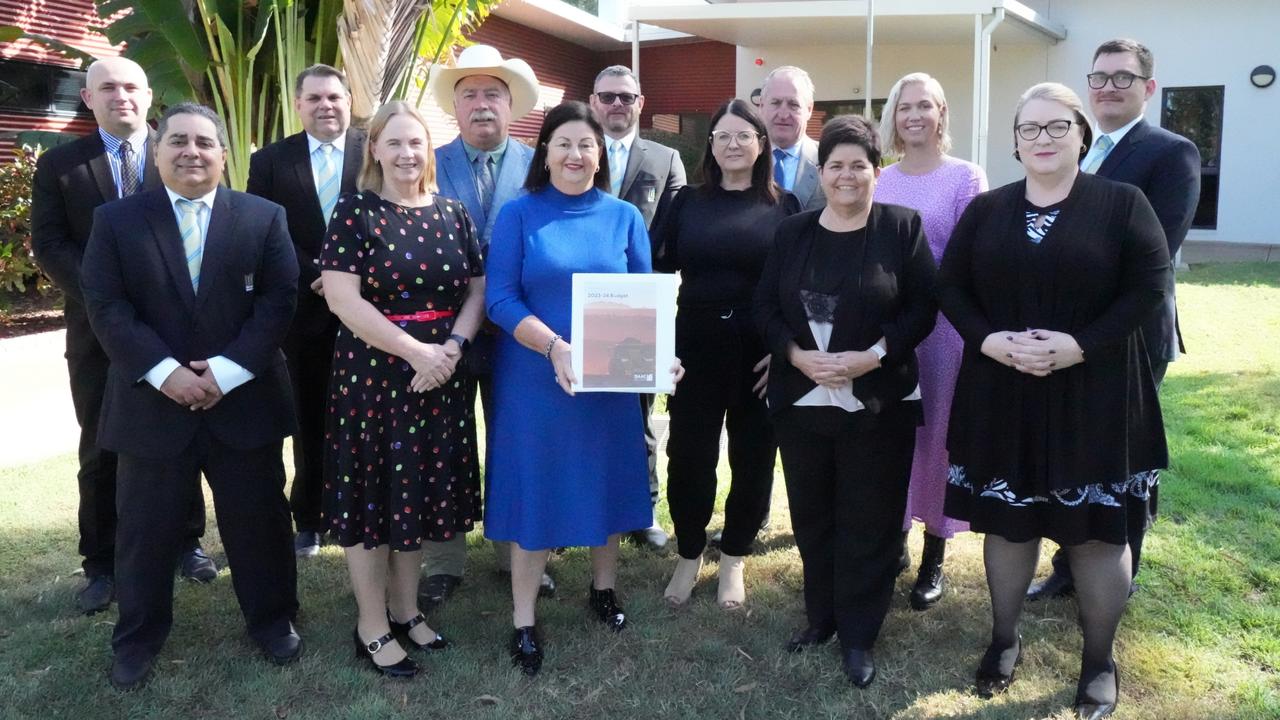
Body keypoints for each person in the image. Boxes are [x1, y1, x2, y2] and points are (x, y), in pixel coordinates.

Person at [938, 83, 1170, 719]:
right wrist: (989, 341)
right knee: (1010, 524)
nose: (1043, 138)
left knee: (1097, 533)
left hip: (1093, 391)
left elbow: (1150, 285)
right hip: (1003, 389)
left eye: (1056, 127)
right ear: (1015, 142)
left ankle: (1099, 661)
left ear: (1081, 136)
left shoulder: (1123, 204)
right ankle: (1003, 639)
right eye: (1030, 128)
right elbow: (950, 285)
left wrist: (1080, 346)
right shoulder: (987, 210)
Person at [80, 103, 303, 691]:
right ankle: (138, 637)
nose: (192, 152)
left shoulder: (264, 216)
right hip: (153, 404)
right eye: (178, 140)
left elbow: (279, 302)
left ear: (223, 154)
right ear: (158, 152)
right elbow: (107, 307)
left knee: (258, 521)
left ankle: (273, 619)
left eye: (205, 142)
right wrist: (164, 373)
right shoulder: (116, 221)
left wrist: (225, 371)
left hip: (244, 401)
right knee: (145, 531)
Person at [483, 101, 683, 676]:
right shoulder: (519, 215)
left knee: (605, 478)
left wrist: (662, 358)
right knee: (534, 488)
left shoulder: (623, 217)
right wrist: (554, 347)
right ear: (544, 153)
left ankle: (603, 589)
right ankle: (523, 618)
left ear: (602, 155)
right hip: (534, 377)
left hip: (608, 380)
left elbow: (646, 300)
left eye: (586, 145)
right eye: (564, 144)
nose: (575, 155)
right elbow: (499, 298)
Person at [754, 114, 938, 688]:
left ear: (876, 172)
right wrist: (794, 355)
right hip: (802, 397)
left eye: (859, 164)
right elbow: (764, 306)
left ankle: (859, 634)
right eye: (836, 165)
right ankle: (822, 617)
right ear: (822, 171)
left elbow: (923, 309)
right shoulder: (793, 232)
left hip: (877, 400)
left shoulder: (902, 227)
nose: (847, 175)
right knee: (812, 513)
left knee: (871, 517)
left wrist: (873, 356)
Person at [31, 57, 215, 617]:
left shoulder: (182, 149)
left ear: (149, 93)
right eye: (107, 87)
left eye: (132, 85)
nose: (122, 96)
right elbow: (50, 244)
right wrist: (109, 298)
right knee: (102, 442)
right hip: (97, 334)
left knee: (183, 435)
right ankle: (102, 562)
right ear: (89, 99)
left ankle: (187, 543)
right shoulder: (62, 165)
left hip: (178, 329)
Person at [1027, 38, 1200, 603]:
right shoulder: (1082, 149)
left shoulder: (1170, 153)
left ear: (1148, 88)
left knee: (1118, 458)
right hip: (1062, 335)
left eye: (1123, 78)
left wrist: (1082, 328)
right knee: (1074, 449)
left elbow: (1153, 257)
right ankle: (1069, 567)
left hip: (1128, 336)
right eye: (1098, 78)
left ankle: (1116, 579)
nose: (1108, 87)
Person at [317, 101, 485, 678]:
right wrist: (418, 353)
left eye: (416, 142)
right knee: (372, 502)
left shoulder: (453, 213)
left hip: (440, 379)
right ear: (376, 151)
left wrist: (452, 351)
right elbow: (342, 299)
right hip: (375, 380)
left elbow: (476, 291)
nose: (407, 153)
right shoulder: (355, 211)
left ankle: (408, 611)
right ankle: (371, 624)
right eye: (394, 143)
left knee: (416, 495)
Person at [651, 99, 798, 610]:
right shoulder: (685, 203)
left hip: (760, 355)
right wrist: (649, 346)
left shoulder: (786, 205)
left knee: (754, 457)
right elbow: (652, 272)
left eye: (743, 135)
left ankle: (734, 554)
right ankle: (690, 552)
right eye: (722, 136)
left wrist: (785, 353)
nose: (733, 144)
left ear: (762, 145)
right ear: (710, 146)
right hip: (692, 350)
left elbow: (798, 287)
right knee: (689, 456)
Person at [423, 44, 555, 604]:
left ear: (512, 106)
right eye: (470, 95)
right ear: (455, 106)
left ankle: (518, 553)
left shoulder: (541, 166)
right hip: (441, 334)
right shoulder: (425, 161)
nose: (482, 105)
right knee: (440, 444)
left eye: (492, 95)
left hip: (520, 333)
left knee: (517, 443)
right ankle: (442, 559)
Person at [874, 72, 987, 610]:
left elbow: (974, 258)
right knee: (893, 432)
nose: (914, 115)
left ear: (942, 114)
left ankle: (933, 555)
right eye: (904, 107)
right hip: (891, 326)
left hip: (944, 330)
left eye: (925, 106)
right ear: (893, 117)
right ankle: (891, 540)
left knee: (938, 434)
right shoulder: (880, 179)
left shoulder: (966, 178)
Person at [246, 64, 367, 558]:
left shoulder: (373, 148)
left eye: (335, 97)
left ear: (348, 101)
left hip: (368, 307)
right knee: (310, 415)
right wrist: (320, 274)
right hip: (303, 311)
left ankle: (359, 508)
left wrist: (348, 277)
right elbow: (263, 229)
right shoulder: (272, 160)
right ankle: (311, 518)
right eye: (314, 98)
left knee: (365, 416)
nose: (326, 106)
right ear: (298, 105)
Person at [588, 64, 688, 552]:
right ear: (593, 102)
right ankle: (581, 506)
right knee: (579, 411)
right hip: (574, 306)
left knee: (637, 413)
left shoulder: (666, 158)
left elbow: (670, 235)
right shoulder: (573, 149)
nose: (617, 105)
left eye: (626, 97)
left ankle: (642, 509)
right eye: (607, 97)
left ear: (640, 103)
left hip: (636, 307)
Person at [760, 66, 825, 210]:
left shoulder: (828, 158)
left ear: (809, 109)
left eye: (793, 104)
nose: (783, 115)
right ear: (762, 105)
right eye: (775, 103)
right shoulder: (744, 160)